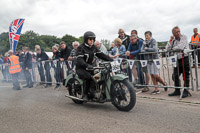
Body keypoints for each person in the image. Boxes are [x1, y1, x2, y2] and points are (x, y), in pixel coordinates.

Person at [76, 31, 113, 100]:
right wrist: (86, 65)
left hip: (90, 68)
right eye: (90, 39)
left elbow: (101, 55)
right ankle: (85, 94)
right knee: (89, 77)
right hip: (81, 68)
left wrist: (111, 60)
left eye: (93, 39)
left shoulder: (93, 47)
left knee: (99, 77)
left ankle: (99, 92)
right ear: (86, 39)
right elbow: (79, 60)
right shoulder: (81, 48)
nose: (92, 41)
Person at [166, 26, 190, 98]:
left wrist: (172, 49)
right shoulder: (173, 40)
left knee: (185, 76)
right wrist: (170, 40)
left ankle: (186, 90)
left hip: (184, 58)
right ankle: (177, 90)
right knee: (175, 75)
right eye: (176, 32)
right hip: (176, 59)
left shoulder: (184, 37)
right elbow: (167, 48)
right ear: (173, 34)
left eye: (179, 31)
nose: (178, 33)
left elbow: (181, 47)